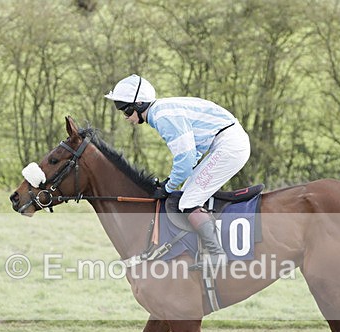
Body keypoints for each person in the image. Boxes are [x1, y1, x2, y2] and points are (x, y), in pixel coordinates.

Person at [105, 74, 251, 264]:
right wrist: (172, 182)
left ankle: (216, 254)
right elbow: (194, 151)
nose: (125, 117)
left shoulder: (163, 117)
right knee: (186, 196)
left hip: (229, 145)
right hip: (225, 141)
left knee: (188, 201)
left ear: (139, 104)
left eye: (125, 111)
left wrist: (168, 186)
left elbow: (186, 159)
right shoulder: (161, 111)